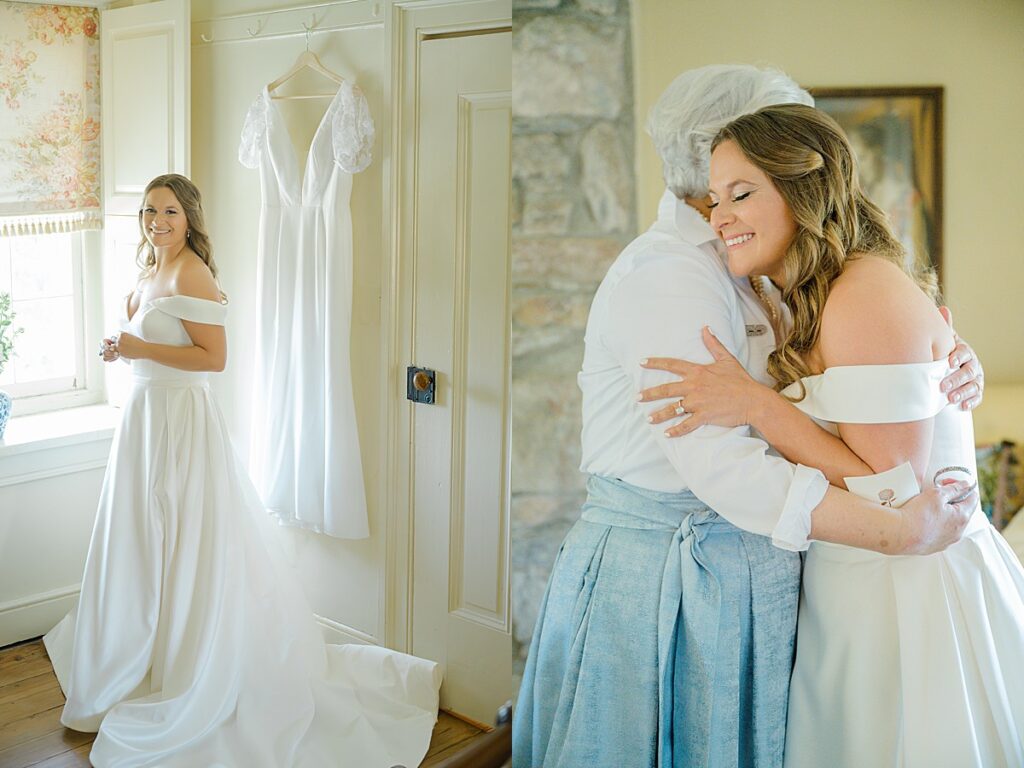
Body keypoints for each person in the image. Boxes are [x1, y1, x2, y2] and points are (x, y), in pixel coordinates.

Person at [512, 66, 984, 768]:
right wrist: (893, 530)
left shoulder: (773, 268)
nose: (728, 205)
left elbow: (857, 383)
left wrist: (941, 353)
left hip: (777, 565)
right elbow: (721, 465)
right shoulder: (672, 275)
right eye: (727, 180)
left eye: (752, 179)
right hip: (664, 574)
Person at [639, 104, 1024, 767]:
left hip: (911, 598)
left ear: (801, 190)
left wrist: (759, 406)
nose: (718, 214)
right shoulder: (809, 294)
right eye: (713, 198)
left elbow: (892, 488)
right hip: (857, 583)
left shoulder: (862, 292)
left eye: (741, 193)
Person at [42, 174, 442, 768]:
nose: (158, 221)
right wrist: (120, 346)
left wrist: (138, 349)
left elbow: (215, 359)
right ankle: (135, 655)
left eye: (170, 211)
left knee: (185, 541)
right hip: (146, 420)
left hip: (179, 423)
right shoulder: (150, 266)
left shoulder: (193, 272)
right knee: (142, 540)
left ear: (189, 217)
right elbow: (152, 336)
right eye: (150, 211)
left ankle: (189, 663)